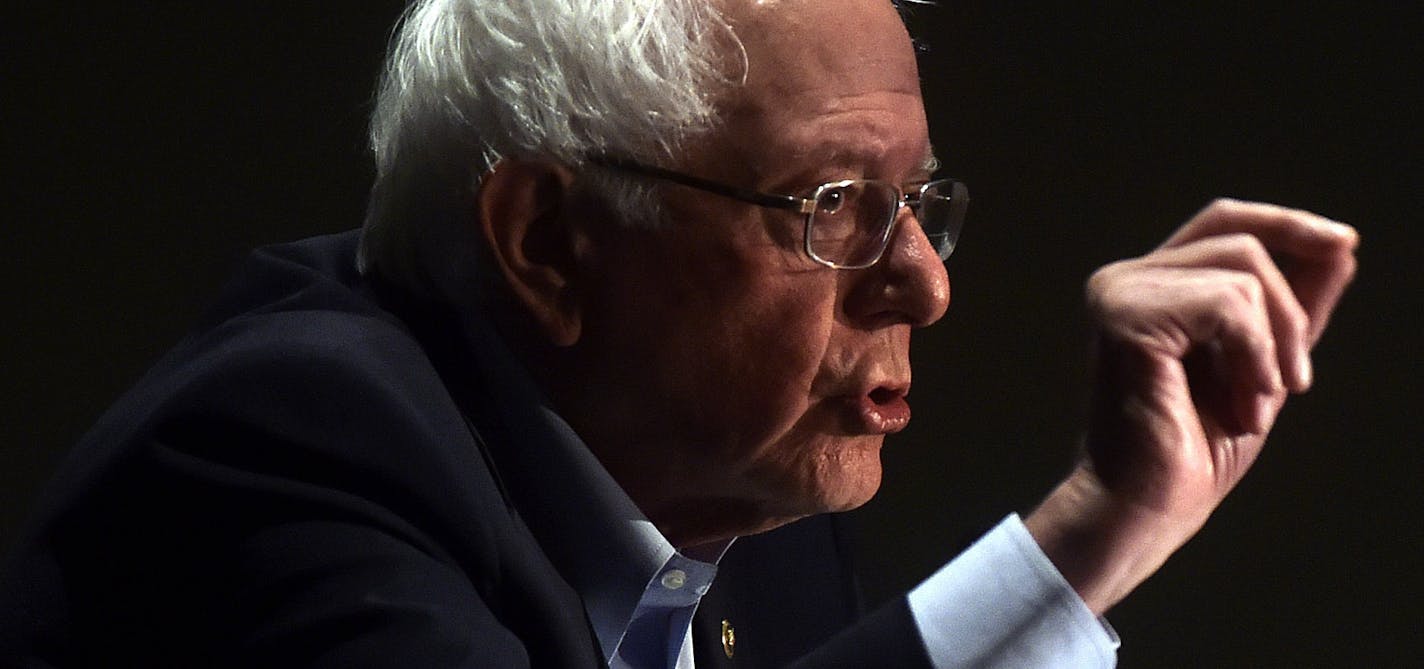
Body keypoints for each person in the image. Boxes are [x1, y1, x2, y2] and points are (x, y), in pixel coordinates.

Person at [0, 0, 1358, 667]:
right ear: (544, 241)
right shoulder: (287, 447)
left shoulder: (754, 511)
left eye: (918, 205)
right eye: (832, 204)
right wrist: (1086, 536)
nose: (923, 288)